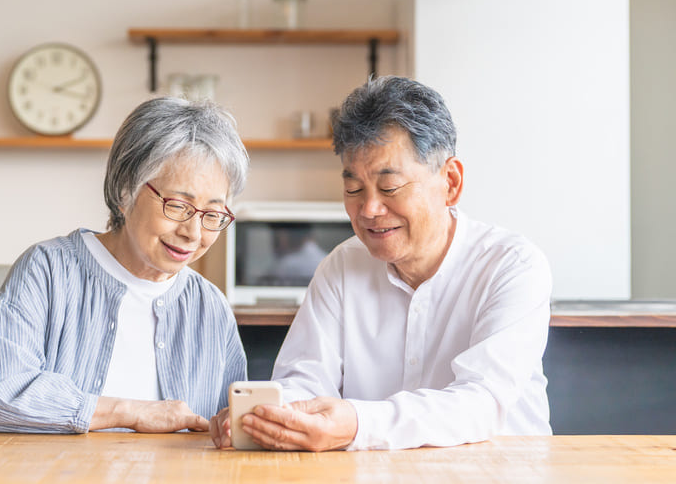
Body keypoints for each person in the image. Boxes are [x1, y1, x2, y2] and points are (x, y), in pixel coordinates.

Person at [210, 76, 552, 451]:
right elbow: (304, 380)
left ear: (450, 182)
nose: (369, 210)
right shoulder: (342, 265)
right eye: (354, 189)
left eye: (389, 188)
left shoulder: (512, 266)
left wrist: (357, 424)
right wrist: (272, 417)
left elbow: (482, 402)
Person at [0, 97, 249, 434]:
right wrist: (131, 412)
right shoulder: (47, 271)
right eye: (177, 206)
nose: (193, 233)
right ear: (125, 189)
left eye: (213, 215)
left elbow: (232, 421)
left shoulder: (209, 306)